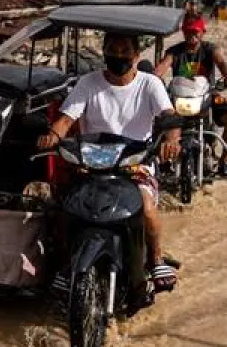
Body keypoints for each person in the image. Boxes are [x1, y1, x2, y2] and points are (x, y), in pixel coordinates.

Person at [36, 32, 180, 292]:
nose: (119, 56)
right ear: (103, 53)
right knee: (64, 208)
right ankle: (66, 264)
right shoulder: (87, 83)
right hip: (91, 165)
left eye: (125, 51)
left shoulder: (150, 85)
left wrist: (171, 140)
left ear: (137, 56)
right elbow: (66, 119)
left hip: (135, 165)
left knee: (146, 207)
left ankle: (156, 258)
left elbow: (169, 117)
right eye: (113, 50)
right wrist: (52, 136)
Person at [156, 14, 227, 176]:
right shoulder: (174, 51)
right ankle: (160, 160)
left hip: (207, 96)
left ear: (203, 32)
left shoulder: (210, 49)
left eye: (195, 32)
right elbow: (163, 66)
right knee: (154, 118)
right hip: (178, 98)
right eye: (188, 32)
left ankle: (223, 160)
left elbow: (221, 62)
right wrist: (153, 78)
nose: (192, 36)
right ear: (183, 32)